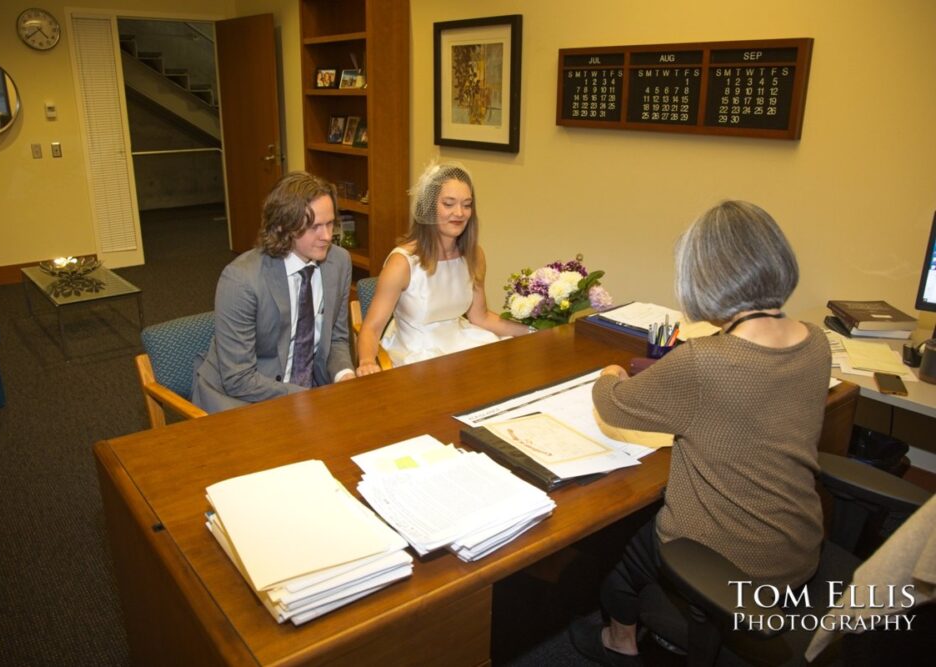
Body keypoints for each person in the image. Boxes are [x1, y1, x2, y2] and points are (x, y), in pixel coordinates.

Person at [569, 200, 832, 665]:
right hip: (798, 547)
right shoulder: (817, 341)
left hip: (726, 555)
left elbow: (612, 404)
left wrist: (609, 373)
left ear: (704, 279)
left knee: (616, 562)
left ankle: (619, 643)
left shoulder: (705, 361)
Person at [191, 172, 354, 413]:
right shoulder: (241, 279)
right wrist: (307, 399)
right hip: (242, 398)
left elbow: (337, 339)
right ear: (282, 226)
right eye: (314, 227)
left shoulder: (339, 262)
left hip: (308, 392)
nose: (327, 236)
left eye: (330, 224)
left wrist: (344, 375)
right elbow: (238, 378)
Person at [355, 161, 531, 373]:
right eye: (449, 204)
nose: (459, 213)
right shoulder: (402, 263)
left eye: (467, 205)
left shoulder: (474, 255)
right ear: (428, 209)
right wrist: (367, 362)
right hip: (416, 355)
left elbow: (480, 317)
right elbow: (372, 328)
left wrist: (532, 329)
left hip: (461, 344)